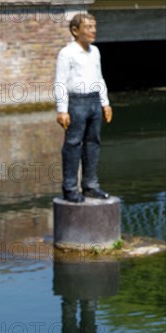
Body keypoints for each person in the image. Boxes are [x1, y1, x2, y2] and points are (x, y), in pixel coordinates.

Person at [55, 13, 113, 203]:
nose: (93, 30)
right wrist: (62, 109)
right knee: (73, 144)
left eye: (94, 26)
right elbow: (61, 82)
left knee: (93, 143)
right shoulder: (67, 53)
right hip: (76, 103)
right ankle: (70, 188)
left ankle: (91, 185)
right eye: (88, 27)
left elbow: (99, 78)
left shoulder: (95, 51)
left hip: (94, 101)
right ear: (75, 30)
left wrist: (105, 103)